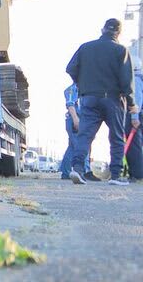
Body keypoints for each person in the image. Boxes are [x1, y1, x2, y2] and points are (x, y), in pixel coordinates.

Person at [65, 18, 139, 186]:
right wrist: (131, 102)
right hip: (113, 99)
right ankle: (115, 175)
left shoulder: (85, 47)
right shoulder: (121, 50)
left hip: (89, 97)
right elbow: (126, 80)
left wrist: (81, 84)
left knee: (85, 135)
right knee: (116, 137)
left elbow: (70, 68)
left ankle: (77, 168)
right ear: (118, 33)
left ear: (102, 29)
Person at [59, 83, 93, 180]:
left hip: (79, 120)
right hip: (75, 120)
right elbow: (70, 104)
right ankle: (85, 171)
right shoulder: (73, 89)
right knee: (81, 146)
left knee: (72, 148)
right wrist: (75, 119)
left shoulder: (82, 88)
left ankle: (66, 172)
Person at [125, 53, 143, 182]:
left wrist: (134, 117)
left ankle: (136, 174)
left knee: (133, 146)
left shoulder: (135, 80)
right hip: (136, 115)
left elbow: (137, 99)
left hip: (134, 116)